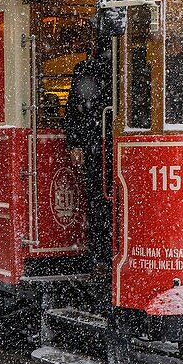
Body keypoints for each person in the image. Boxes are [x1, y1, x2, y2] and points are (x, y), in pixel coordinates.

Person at [63, 21, 114, 279]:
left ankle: (102, 259)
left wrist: (76, 142)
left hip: (104, 145)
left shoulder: (88, 69)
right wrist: (76, 142)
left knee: (100, 204)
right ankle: (102, 259)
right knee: (100, 204)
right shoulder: (92, 70)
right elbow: (74, 110)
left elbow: (73, 110)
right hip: (102, 146)